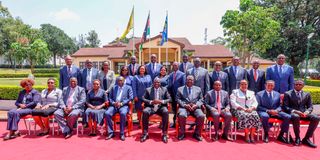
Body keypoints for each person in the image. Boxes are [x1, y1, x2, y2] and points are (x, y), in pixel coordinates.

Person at [283, 80, 319, 148]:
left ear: (303, 86)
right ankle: (297, 137)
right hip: (293, 114)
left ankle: (306, 138)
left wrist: (307, 112)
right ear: (294, 85)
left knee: (316, 118)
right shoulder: (288, 94)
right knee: (296, 116)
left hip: (303, 113)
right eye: (296, 84)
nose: (298, 85)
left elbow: (310, 106)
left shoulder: (307, 94)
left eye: (300, 84)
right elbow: (285, 107)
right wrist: (295, 111)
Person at [141, 78, 171, 143]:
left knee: (166, 111)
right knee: (145, 111)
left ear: (160, 83)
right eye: (155, 82)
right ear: (153, 83)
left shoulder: (164, 89)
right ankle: (145, 133)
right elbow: (143, 98)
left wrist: (161, 101)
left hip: (161, 107)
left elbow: (169, 99)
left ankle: (164, 134)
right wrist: (151, 102)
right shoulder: (148, 90)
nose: (156, 83)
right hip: (151, 107)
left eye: (158, 82)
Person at [176, 75, 205, 141]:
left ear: (193, 81)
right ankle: (182, 133)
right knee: (181, 115)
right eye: (188, 79)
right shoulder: (180, 89)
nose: (190, 81)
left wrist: (196, 105)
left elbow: (201, 99)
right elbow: (178, 99)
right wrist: (185, 105)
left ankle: (197, 133)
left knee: (201, 115)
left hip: (195, 107)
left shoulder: (198, 89)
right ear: (186, 80)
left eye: (191, 80)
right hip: (184, 107)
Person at [105, 76, 133, 141]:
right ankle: (111, 132)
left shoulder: (128, 88)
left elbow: (130, 98)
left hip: (123, 105)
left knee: (123, 113)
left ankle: (122, 133)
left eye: (121, 80)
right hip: (114, 105)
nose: (120, 82)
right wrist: (113, 103)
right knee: (107, 113)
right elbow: (110, 98)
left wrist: (122, 103)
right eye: (119, 81)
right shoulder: (114, 88)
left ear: (124, 81)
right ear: (117, 81)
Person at [168, 62, 186, 128]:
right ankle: (174, 122)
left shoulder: (182, 74)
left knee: (179, 109)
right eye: (173, 65)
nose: (174, 66)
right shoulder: (170, 74)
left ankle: (179, 123)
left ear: (178, 66)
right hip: (172, 94)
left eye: (176, 65)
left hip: (179, 95)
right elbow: (169, 85)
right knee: (174, 109)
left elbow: (183, 85)